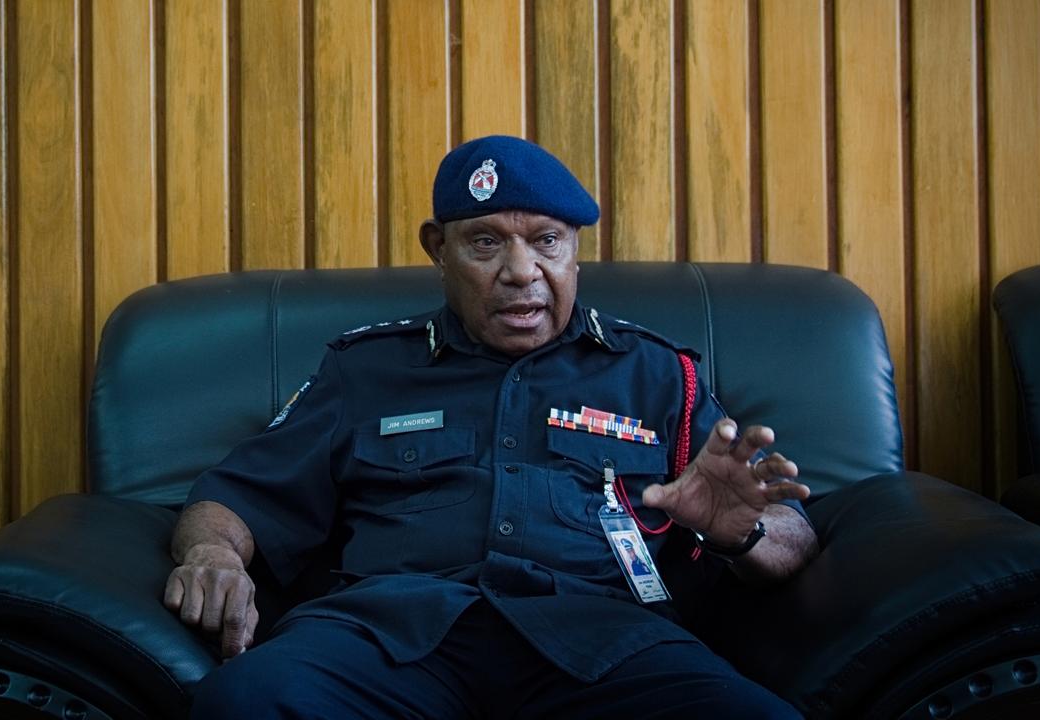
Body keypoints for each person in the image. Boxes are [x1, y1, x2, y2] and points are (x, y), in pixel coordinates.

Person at [163, 135, 819, 719]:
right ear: (437, 249)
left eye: (547, 242)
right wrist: (213, 554)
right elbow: (231, 499)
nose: (521, 272)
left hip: (606, 644)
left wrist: (745, 532)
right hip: (388, 640)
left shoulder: (655, 374)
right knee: (245, 700)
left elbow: (792, 537)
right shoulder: (363, 371)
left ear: (574, 254)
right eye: (485, 242)